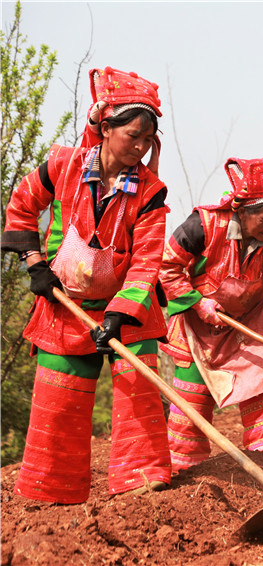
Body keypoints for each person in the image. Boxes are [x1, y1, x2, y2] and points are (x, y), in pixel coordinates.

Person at [1, 67, 171, 502]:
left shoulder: (150, 191)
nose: (139, 146)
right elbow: (20, 208)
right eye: (132, 134)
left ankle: (142, 488)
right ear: (105, 126)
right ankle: (51, 494)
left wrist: (118, 313)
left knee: (139, 398)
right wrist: (34, 262)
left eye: (147, 139)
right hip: (64, 308)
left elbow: (148, 259)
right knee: (58, 407)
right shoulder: (63, 165)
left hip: (128, 314)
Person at [159, 157, 263, 471]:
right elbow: (167, 268)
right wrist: (197, 302)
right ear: (242, 212)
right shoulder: (203, 225)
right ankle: (186, 476)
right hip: (196, 329)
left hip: (251, 330)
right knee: (191, 407)